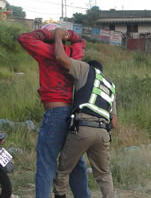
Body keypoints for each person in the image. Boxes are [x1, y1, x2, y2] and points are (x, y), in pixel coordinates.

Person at [17, 24, 91, 198]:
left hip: (55, 114)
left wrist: (51, 34)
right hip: (73, 115)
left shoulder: (47, 51)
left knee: (46, 163)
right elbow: (81, 41)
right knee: (75, 163)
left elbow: (24, 38)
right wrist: (67, 35)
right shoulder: (75, 53)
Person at [51, 28, 118, 198]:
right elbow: (114, 123)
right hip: (103, 133)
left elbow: (60, 58)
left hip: (83, 128)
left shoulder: (85, 69)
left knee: (64, 170)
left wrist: (58, 36)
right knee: (103, 174)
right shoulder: (109, 85)